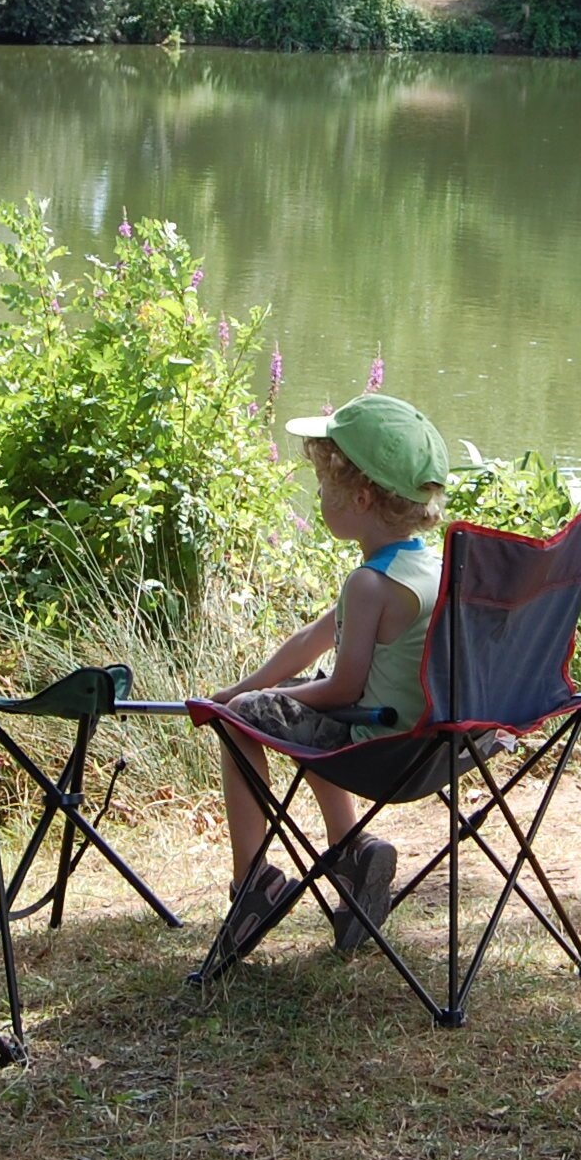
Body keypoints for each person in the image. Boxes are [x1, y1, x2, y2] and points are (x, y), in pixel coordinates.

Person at [205, 393, 452, 960]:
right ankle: (351, 851)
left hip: (382, 751)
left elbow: (340, 691)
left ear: (360, 497)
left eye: (324, 486)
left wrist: (243, 705)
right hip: (440, 744)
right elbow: (309, 642)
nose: (317, 496)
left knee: (245, 723)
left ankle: (253, 884)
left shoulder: (368, 585)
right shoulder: (430, 567)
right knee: (281, 709)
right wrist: (250, 688)